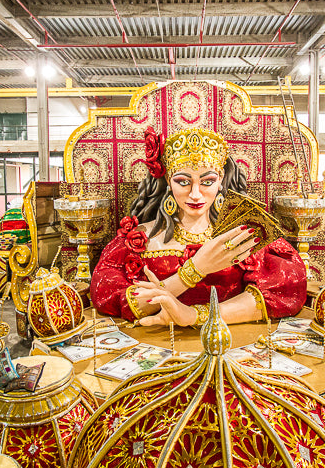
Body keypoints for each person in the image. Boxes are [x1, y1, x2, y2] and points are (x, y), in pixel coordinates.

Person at [90, 126, 307, 327]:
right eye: (183, 182)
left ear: (220, 180)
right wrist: (195, 270)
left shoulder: (243, 234)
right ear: (168, 181)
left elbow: (288, 289)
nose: (195, 194)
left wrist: (191, 315)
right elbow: (107, 297)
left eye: (207, 181)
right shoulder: (137, 241)